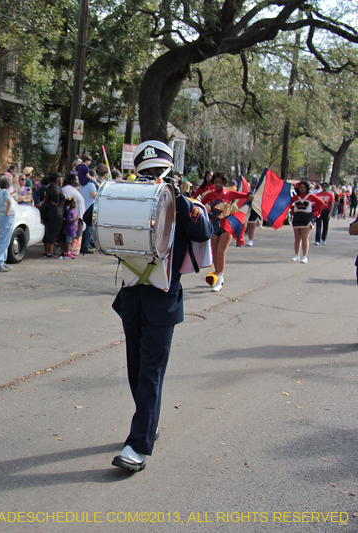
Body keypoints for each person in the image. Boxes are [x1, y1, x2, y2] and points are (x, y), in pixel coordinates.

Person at [110, 140, 213, 472]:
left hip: (163, 298)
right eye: (147, 173)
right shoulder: (130, 199)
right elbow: (92, 217)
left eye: (159, 172)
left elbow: (202, 230)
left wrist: (177, 195)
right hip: (131, 297)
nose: (153, 178)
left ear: (171, 172)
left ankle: (137, 446)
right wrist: (114, 191)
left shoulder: (187, 204)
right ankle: (147, 424)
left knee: (150, 373)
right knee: (135, 369)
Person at [199, 171, 252, 291]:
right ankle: (217, 274)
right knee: (214, 253)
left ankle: (220, 276)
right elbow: (200, 205)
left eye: (220, 182)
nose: (218, 184)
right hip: (214, 227)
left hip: (226, 227)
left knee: (221, 252)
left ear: (224, 182)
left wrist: (250, 195)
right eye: (216, 182)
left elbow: (244, 195)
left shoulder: (229, 194)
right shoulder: (210, 195)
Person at [290, 180, 325, 264]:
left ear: (307, 188)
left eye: (304, 187)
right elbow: (289, 205)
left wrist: (313, 209)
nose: (302, 189)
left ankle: (304, 256)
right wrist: (292, 210)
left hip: (307, 218)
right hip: (297, 218)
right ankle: (296, 255)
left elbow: (321, 203)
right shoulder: (294, 198)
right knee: (297, 238)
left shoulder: (311, 196)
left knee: (305, 237)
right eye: (301, 187)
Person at [0, 174, 16, 272]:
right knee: (4, 241)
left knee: (5, 240)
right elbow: (9, 201)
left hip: (1, 217)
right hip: (6, 218)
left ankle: (2, 261)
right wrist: (7, 211)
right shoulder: (6, 192)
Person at [41, 171, 65, 258]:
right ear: (57, 179)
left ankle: (46, 251)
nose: (62, 179)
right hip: (55, 213)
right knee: (53, 232)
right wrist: (57, 201)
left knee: (47, 232)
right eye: (61, 178)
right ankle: (50, 252)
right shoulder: (55, 187)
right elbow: (55, 193)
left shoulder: (49, 186)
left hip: (47, 211)